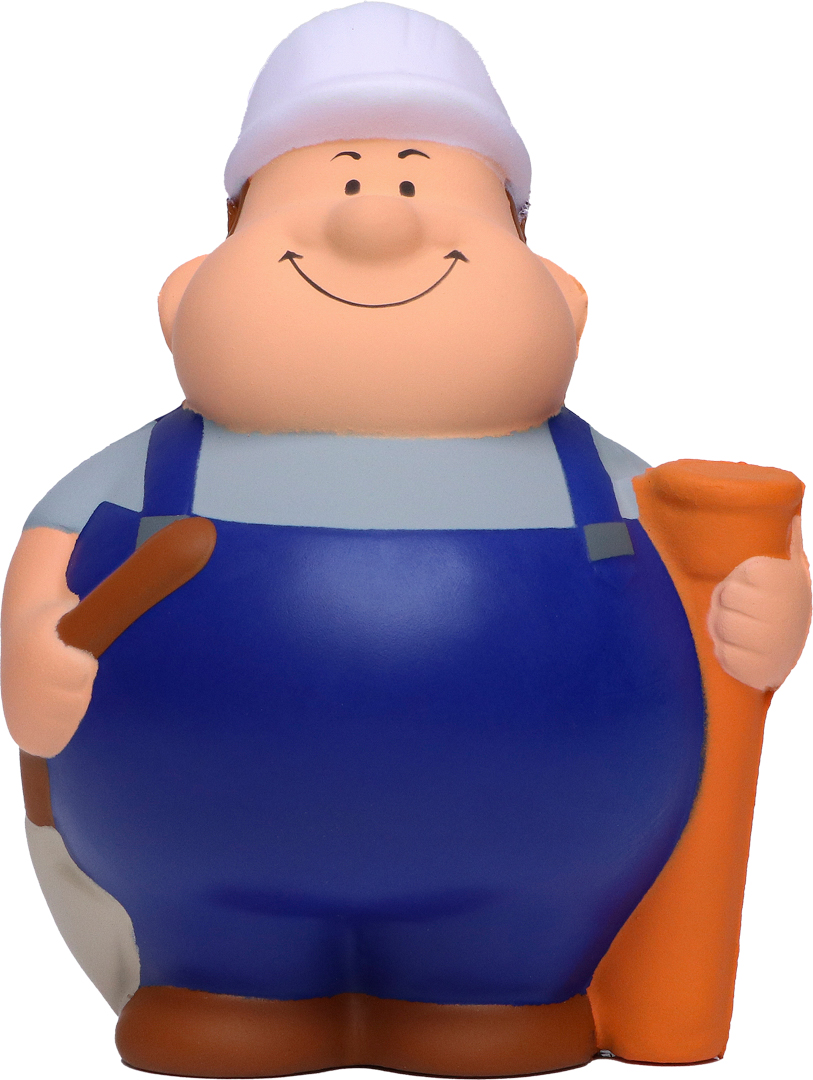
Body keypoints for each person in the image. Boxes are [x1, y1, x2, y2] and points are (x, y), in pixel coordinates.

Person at [2, 5, 809, 1077]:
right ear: (186, 292)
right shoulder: (141, 474)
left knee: (497, 982)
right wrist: (32, 649)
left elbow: (722, 598)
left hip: (537, 881)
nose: (376, 225)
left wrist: (771, 610)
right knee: (230, 978)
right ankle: (225, 986)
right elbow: (45, 561)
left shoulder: (615, 484)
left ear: (563, 300)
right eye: (337, 184)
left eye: (419, 185)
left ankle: (494, 994)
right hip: (199, 865)